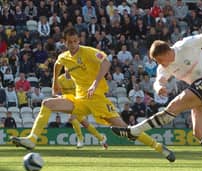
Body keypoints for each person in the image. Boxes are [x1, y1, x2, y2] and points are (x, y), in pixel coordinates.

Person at [10, 27, 175, 162]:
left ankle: (159, 147)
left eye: (75, 41)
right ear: (65, 42)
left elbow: (106, 62)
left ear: (78, 41)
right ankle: (32, 139)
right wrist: (55, 82)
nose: (73, 44)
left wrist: (95, 83)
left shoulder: (88, 52)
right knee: (47, 103)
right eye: (70, 42)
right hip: (80, 100)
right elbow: (57, 65)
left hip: (97, 99)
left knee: (127, 130)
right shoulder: (64, 57)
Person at [112, 30, 202, 171]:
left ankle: (134, 131)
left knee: (172, 109)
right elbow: (159, 79)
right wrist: (159, 87)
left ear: (167, 53)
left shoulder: (186, 45)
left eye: (160, 60)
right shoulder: (164, 67)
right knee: (199, 133)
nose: (159, 64)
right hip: (201, 89)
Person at [57, 70, 108, 149]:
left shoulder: (76, 78)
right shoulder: (60, 79)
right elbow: (57, 92)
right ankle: (101, 138)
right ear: (65, 69)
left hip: (79, 102)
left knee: (72, 118)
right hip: (68, 102)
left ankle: (80, 139)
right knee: (84, 123)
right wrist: (60, 96)